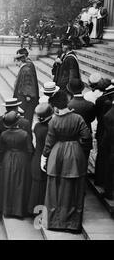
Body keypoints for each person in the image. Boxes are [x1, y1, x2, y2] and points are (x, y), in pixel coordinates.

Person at [41, 90, 91, 233]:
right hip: (75, 153)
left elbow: (49, 143)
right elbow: (86, 136)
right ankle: (72, 223)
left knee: (55, 188)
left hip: (57, 154)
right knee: (74, 189)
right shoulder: (78, 118)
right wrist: (79, 146)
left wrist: (44, 157)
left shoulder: (53, 120)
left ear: (56, 105)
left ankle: (55, 221)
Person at [0, 111, 33, 218]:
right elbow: (30, 150)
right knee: (20, 184)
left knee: (7, 182)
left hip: (8, 159)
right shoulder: (25, 134)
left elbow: (0, 149)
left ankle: (7, 208)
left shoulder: (4, 134)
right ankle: (19, 210)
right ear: (17, 122)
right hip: (22, 159)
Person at [28, 103, 53, 214]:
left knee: (36, 186)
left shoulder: (37, 126)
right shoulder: (48, 128)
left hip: (36, 157)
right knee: (42, 187)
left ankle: (33, 209)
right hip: (44, 158)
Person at [13, 50, 39, 125]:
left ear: (20, 61)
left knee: (26, 118)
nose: (16, 64)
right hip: (23, 99)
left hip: (26, 100)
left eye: (16, 62)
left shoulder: (26, 70)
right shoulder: (24, 69)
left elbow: (28, 85)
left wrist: (28, 95)